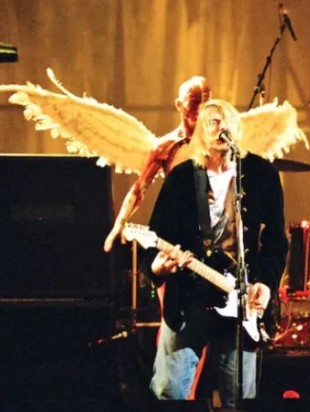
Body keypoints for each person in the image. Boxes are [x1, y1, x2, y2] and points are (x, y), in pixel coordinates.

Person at [142, 99, 288, 407]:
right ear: (199, 133)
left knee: (239, 400)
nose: (221, 127)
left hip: (240, 303)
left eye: (227, 121)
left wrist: (266, 283)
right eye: (213, 121)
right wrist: (157, 267)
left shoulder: (261, 174)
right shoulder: (181, 178)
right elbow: (156, 237)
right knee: (169, 393)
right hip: (189, 302)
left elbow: (276, 240)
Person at [103, 76, 212, 252]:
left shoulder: (217, 142)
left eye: (205, 104)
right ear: (179, 104)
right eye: (193, 103)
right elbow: (139, 188)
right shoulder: (166, 146)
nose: (199, 110)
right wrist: (119, 224)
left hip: (211, 227)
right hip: (177, 226)